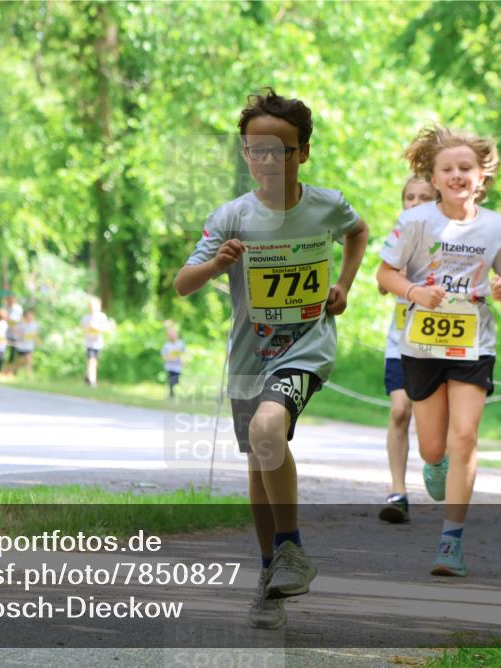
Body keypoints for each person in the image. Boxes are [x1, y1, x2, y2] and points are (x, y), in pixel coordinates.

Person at [174, 89, 369, 629]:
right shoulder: (232, 216)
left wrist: (344, 286)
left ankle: (292, 547)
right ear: (244, 155)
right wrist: (215, 265)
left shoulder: (326, 204)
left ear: (302, 153)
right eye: (254, 150)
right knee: (261, 463)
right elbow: (182, 284)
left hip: (306, 349)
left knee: (268, 427)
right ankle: (272, 580)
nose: (265, 160)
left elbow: (357, 232)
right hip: (248, 359)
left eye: (278, 150)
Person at [376, 125, 501, 578]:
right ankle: (433, 464)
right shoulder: (416, 222)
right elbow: (384, 275)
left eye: (466, 168)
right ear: (433, 178)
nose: (457, 175)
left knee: (465, 439)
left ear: (482, 177)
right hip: (421, 343)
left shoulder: (495, 226)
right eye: (447, 169)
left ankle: (450, 542)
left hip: (474, 343)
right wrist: (415, 292)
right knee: (435, 445)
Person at [377, 176, 437, 524]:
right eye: (409, 197)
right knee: (400, 411)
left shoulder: (452, 236)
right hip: (401, 341)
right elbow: (382, 284)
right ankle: (397, 491)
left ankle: (437, 462)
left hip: (441, 347)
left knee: (433, 425)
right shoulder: (398, 236)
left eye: (423, 197)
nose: (415, 202)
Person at [80, 297, 111, 387]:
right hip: (89, 343)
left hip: (98, 344)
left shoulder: (102, 316)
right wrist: (89, 328)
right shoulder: (86, 317)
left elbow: (106, 328)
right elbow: (83, 328)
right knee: (91, 361)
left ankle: (87, 377)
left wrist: (96, 327)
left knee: (94, 362)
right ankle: (92, 381)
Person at [10, 310, 39, 378]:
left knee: (29, 359)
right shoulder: (22, 324)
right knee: (20, 360)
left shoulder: (34, 324)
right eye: (28, 316)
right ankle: (15, 370)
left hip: (29, 345)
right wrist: (22, 335)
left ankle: (28, 375)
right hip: (21, 345)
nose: (30, 318)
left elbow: (35, 334)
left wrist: (37, 341)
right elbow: (14, 330)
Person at [160, 326, 186, 400]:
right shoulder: (166, 345)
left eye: (173, 334)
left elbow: (184, 353)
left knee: (176, 380)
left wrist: (184, 361)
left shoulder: (181, 343)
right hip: (170, 366)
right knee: (171, 381)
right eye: (171, 335)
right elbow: (163, 356)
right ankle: (171, 394)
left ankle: (176, 393)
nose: (172, 336)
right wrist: (169, 358)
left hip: (178, 366)